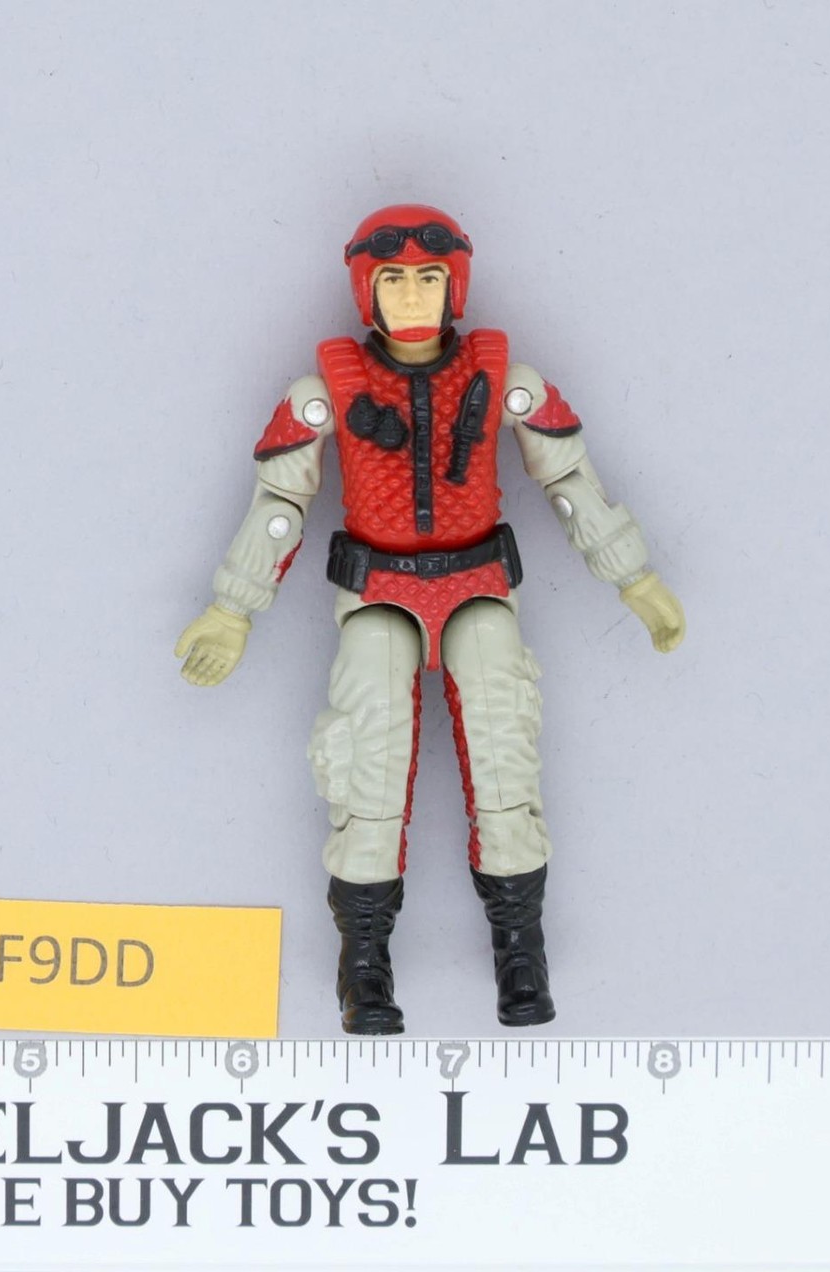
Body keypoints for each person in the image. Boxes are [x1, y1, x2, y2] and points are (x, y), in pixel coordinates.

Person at [175, 204, 685, 1034]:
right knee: (367, 761)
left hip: (478, 585)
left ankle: (521, 949)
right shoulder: (323, 393)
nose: (411, 296)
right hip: (379, 594)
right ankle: (364, 961)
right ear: (364, 290)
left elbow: (569, 479)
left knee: (503, 746)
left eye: (428, 278)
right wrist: (233, 609)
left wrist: (634, 577)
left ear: (456, 286)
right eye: (393, 279)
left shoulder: (506, 378)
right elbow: (278, 506)